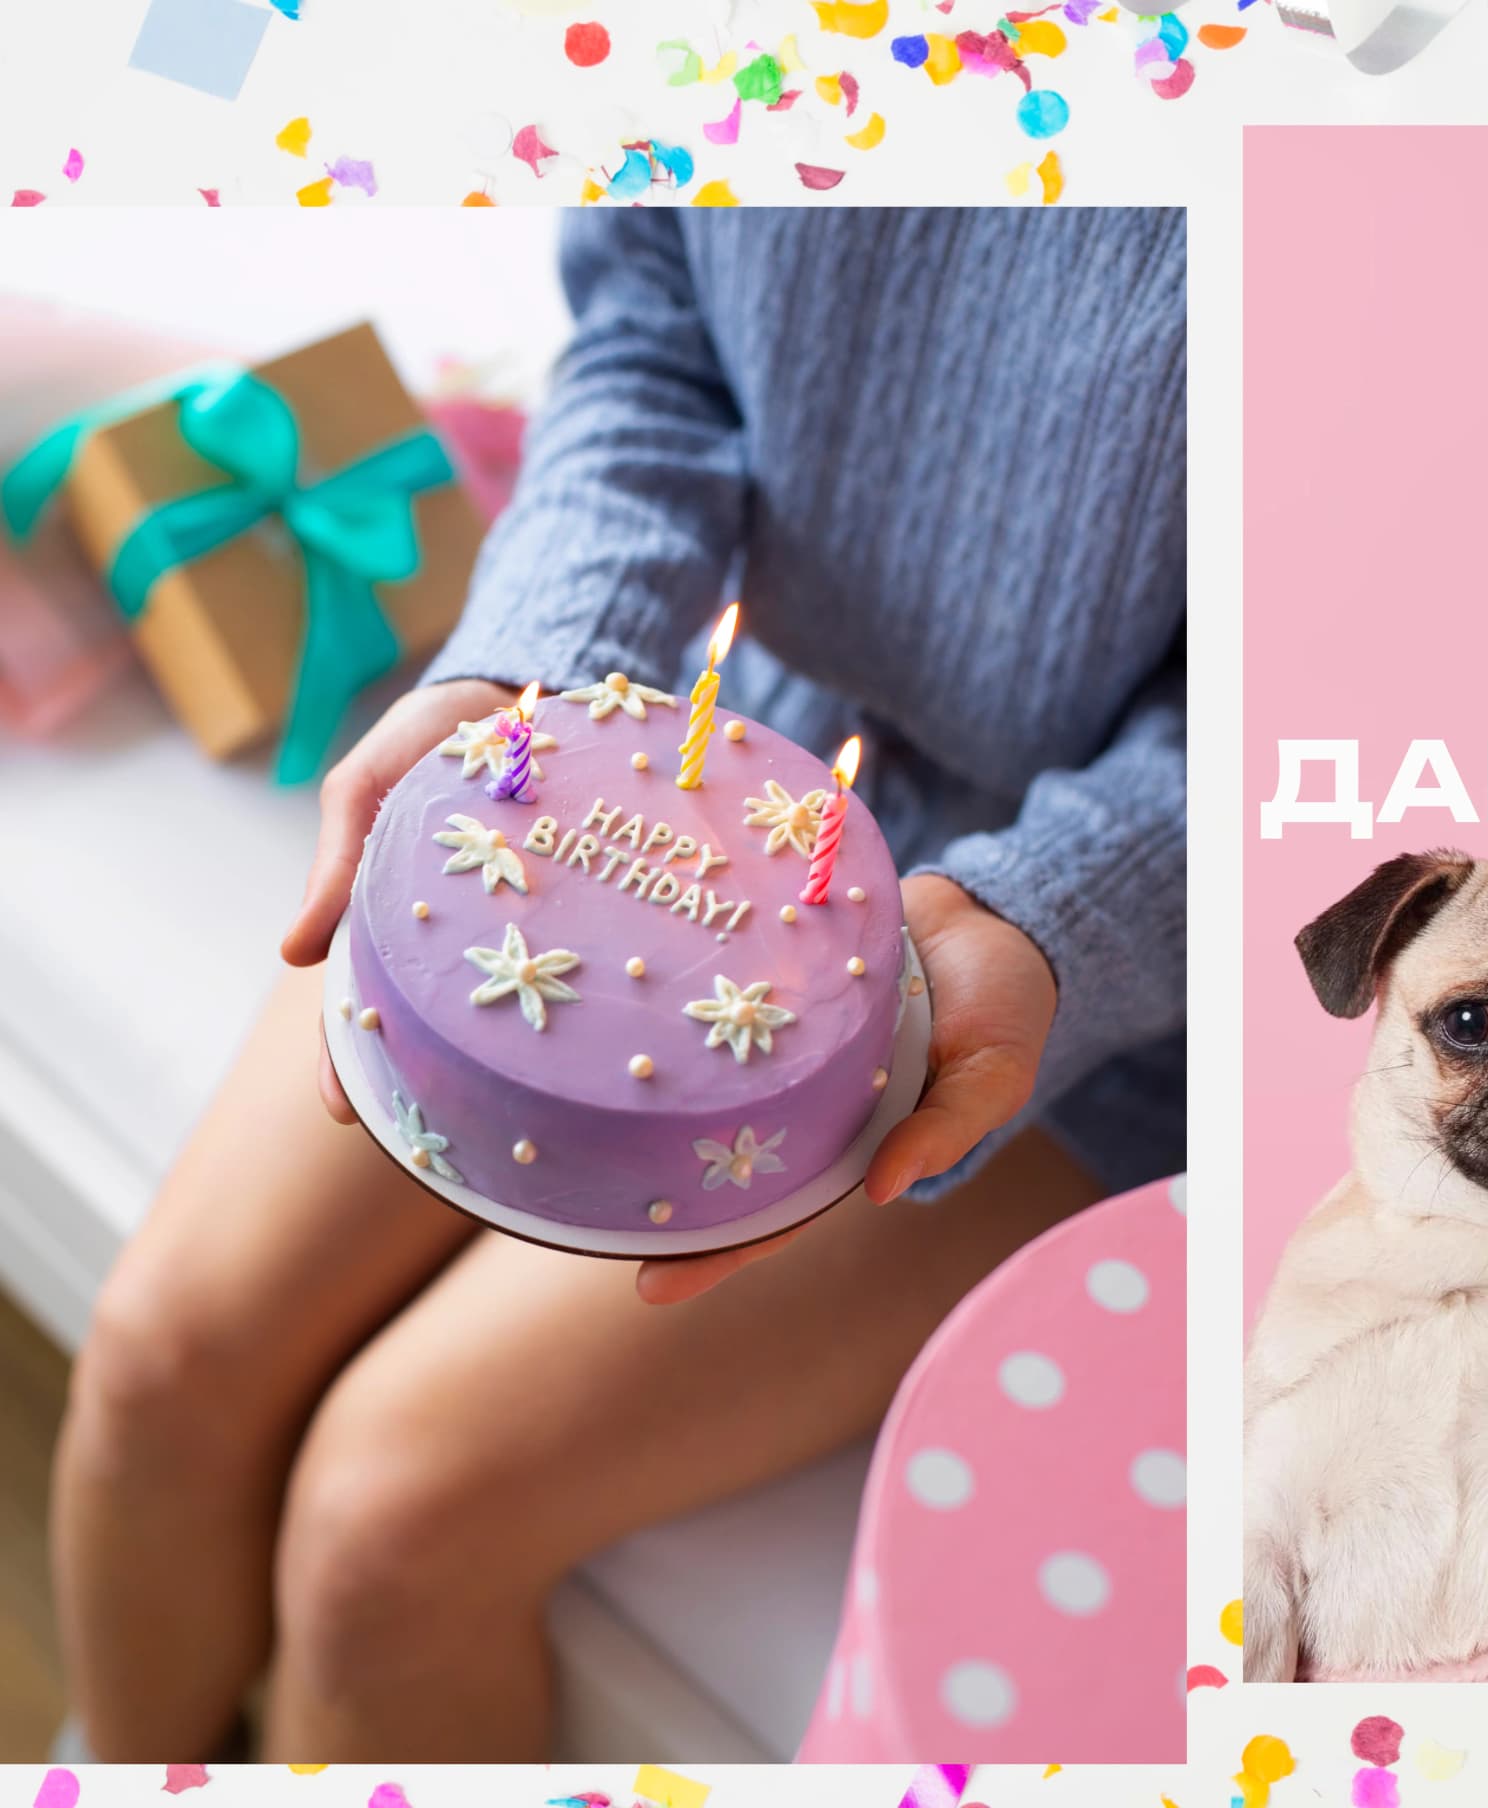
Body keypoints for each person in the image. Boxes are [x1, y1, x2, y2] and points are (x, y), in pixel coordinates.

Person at [51, 209, 1187, 1760]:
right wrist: (526, 666)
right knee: (160, 1359)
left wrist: (1059, 918)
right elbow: (654, 335)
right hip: (696, 754)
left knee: (384, 1527)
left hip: (1111, 993)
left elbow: (1375, 677)